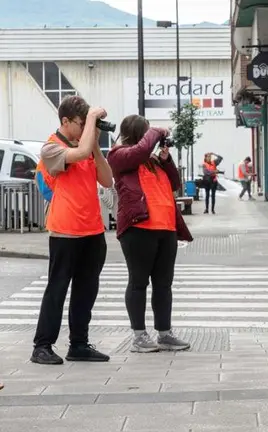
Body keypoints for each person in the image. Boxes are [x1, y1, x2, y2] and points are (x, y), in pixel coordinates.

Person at [30, 95, 114, 365]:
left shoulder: (86, 146)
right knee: (57, 288)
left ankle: (79, 343)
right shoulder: (51, 148)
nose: (85, 127)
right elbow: (76, 155)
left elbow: (107, 178)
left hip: (92, 229)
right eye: (81, 122)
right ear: (66, 122)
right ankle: (42, 346)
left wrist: (96, 144)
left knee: (86, 290)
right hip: (65, 231)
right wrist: (91, 122)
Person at [107, 115, 193, 353]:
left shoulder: (153, 161)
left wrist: (166, 160)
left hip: (166, 229)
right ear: (138, 135)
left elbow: (175, 183)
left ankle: (164, 333)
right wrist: (156, 131)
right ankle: (139, 336)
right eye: (146, 134)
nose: (151, 141)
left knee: (164, 284)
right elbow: (139, 151)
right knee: (138, 282)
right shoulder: (119, 155)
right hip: (138, 229)